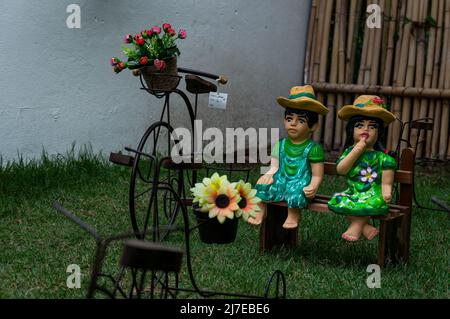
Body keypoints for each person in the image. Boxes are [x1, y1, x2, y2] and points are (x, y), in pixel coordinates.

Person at [248, 85, 329, 229]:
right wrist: (268, 175)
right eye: (289, 118)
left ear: (313, 126)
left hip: (300, 181)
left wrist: (313, 186)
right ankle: (261, 209)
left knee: (296, 192)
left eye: (301, 121)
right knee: (262, 186)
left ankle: (293, 213)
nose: (293, 123)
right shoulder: (280, 145)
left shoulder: (313, 149)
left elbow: (317, 175)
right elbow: (274, 167)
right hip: (281, 178)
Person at [328, 95, 397, 242]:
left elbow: (386, 181)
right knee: (338, 199)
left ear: (379, 134)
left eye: (372, 127)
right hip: (353, 193)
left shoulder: (383, 158)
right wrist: (356, 151)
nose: (366, 129)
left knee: (372, 202)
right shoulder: (349, 153)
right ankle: (365, 227)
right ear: (351, 130)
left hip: (373, 194)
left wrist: (386, 192)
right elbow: (341, 170)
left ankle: (356, 227)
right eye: (360, 125)